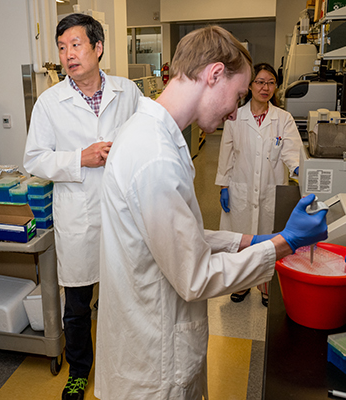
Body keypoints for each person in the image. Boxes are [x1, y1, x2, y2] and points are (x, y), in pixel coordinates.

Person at [95, 26, 328, 399]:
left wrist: (248, 241)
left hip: (151, 340)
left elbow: (171, 236)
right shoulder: (156, 157)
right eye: (237, 96)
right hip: (155, 361)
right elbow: (195, 277)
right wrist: (283, 244)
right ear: (214, 74)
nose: (234, 111)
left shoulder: (148, 134)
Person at [23, 13, 141, 400]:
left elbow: (147, 140)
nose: (68, 54)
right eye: (61, 48)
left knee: (123, 297)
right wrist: (79, 159)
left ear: (97, 47)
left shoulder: (129, 92)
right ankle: (79, 370)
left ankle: (121, 364)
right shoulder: (49, 102)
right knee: (76, 305)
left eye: (75, 44)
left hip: (122, 212)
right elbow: (35, 159)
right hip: (78, 215)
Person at [216, 63, 302, 307]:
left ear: (276, 86)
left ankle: (265, 287)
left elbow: (291, 152)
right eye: (260, 82)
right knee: (241, 240)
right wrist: (223, 185)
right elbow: (227, 152)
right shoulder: (235, 115)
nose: (265, 88)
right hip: (240, 187)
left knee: (267, 242)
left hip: (269, 188)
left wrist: (299, 171)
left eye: (271, 82)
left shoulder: (282, 119)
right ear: (250, 85)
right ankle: (242, 285)